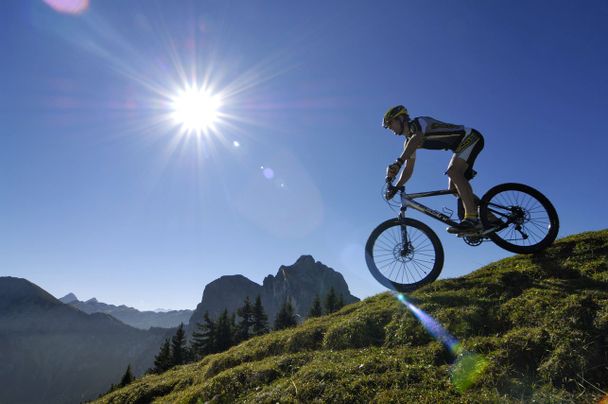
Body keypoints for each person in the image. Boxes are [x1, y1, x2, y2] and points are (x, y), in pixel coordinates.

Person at [382, 105, 490, 234]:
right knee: (453, 189)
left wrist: (398, 163)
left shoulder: (418, 123)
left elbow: (416, 138)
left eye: (390, 123)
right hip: (460, 146)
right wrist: (395, 187)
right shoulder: (408, 143)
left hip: (470, 137)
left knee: (454, 171)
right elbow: (408, 169)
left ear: (400, 118)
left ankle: (472, 219)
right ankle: (489, 218)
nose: (390, 128)